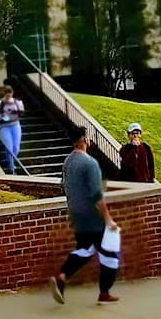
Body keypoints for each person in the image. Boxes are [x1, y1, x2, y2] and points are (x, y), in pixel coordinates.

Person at [51, 126, 120, 305]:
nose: (90, 140)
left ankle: (62, 276)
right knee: (109, 252)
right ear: (84, 139)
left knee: (85, 249)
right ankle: (104, 292)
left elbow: (64, 187)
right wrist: (108, 219)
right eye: (88, 137)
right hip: (93, 217)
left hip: (77, 215)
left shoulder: (67, 162)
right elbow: (96, 195)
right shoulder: (90, 163)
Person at [0, 85, 25, 171]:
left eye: (10, 94)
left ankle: (12, 161)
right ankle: (11, 166)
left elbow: (21, 112)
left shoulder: (16, 102)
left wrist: (16, 112)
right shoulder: (1, 103)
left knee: (16, 147)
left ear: (12, 93)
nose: (8, 96)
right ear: (4, 94)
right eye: (6, 94)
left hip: (15, 125)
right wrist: (2, 117)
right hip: (4, 127)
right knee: (9, 146)